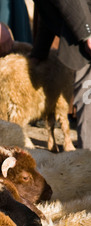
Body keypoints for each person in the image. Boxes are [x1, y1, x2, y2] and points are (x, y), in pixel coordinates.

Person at [32, 0, 91, 149]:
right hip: (82, 28)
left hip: (86, 28)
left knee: (87, 95)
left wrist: (87, 34)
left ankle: (88, 156)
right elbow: (50, 14)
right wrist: (39, 53)